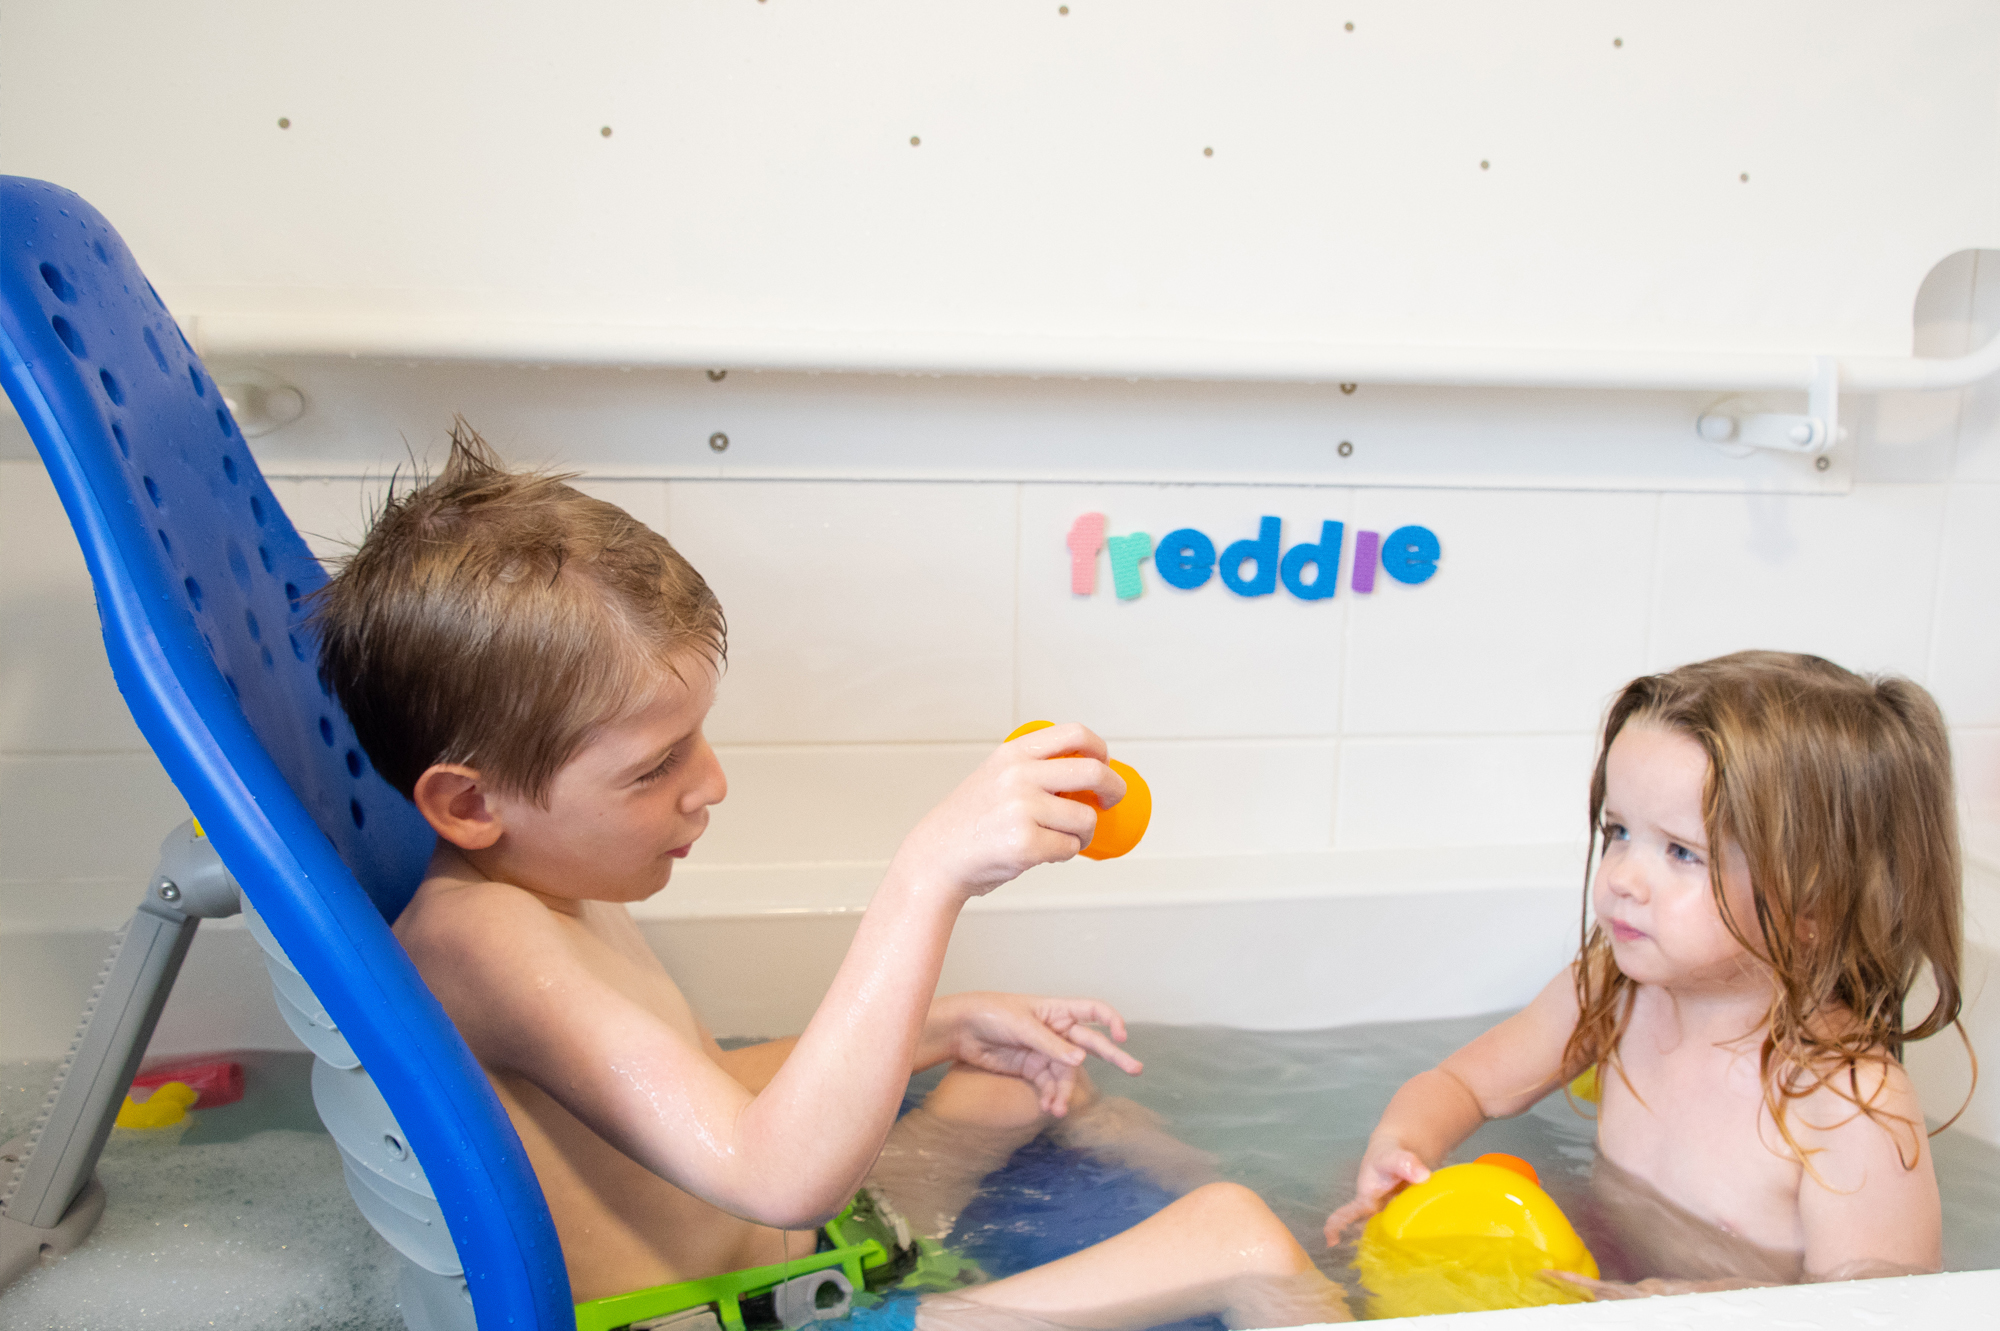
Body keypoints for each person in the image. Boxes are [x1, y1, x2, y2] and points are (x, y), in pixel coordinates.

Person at [313, 423, 1347, 1330]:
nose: (710, 782)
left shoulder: (547, 883)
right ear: (470, 803)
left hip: (801, 1260)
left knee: (1016, 1077)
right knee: (1238, 1236)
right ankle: (1337, 1256)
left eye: (696, 736)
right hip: (751, 1311)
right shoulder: (488, 942)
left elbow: (691, 1088)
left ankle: (1280, 1209)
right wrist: (927, 874)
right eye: (654, 765)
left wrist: (944, 1026)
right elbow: (776, 1173)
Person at [1324, 651, 1968, 1297]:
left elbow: (1883, 1305)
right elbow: (1465, 1084)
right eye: (1619, 832)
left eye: (1682, 851)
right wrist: (1403, 1144)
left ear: (1813, 904)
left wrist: (1681, 1304)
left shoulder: (1846, 1101)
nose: (1623, 877)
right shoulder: (1612, 992)